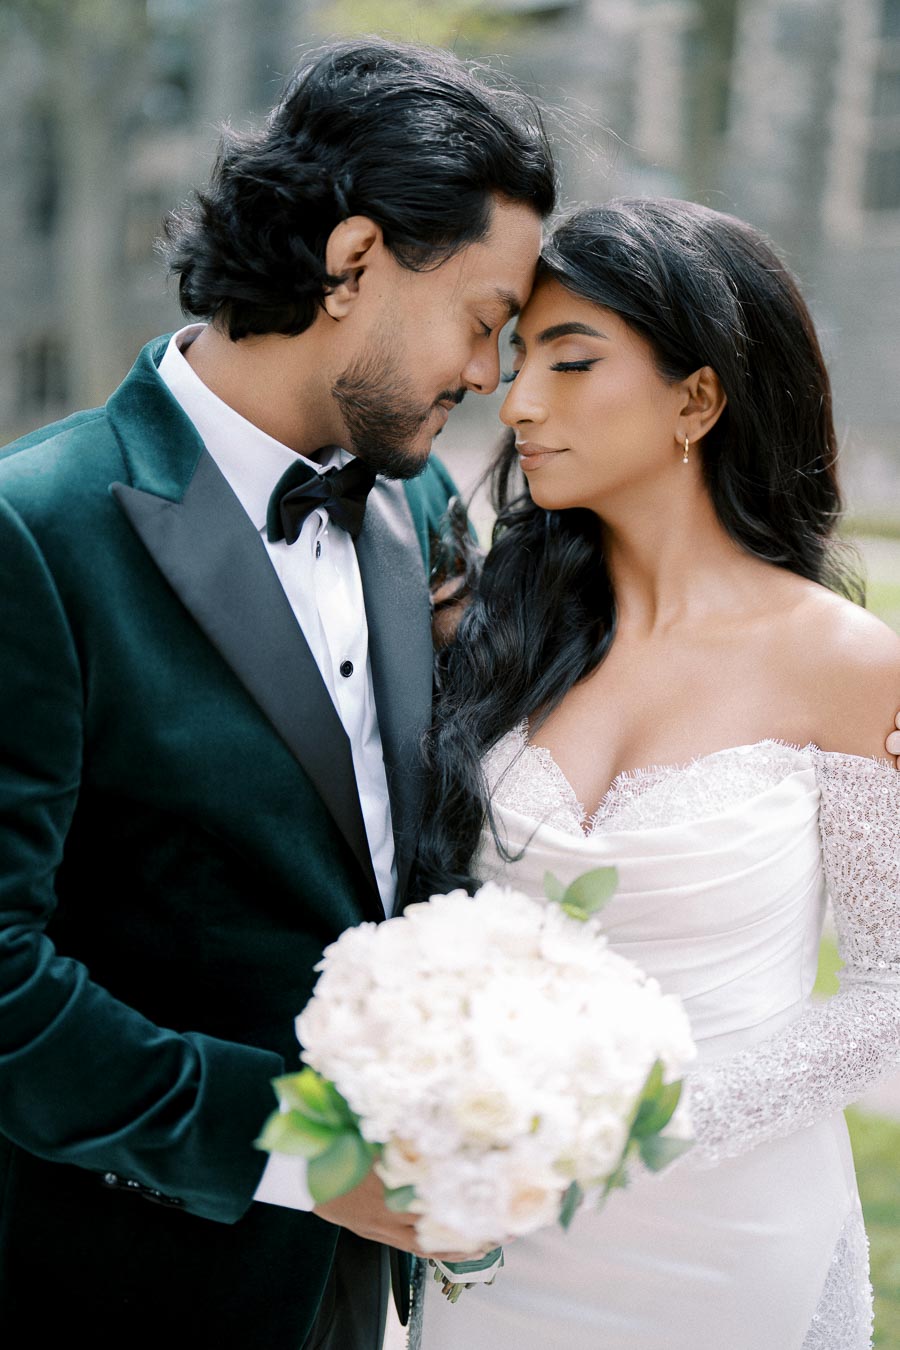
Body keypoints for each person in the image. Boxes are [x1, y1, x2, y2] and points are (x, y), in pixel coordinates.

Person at [0, 38, 552, 1349]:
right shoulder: (37, 529)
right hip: (121, 1285)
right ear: (353, 261)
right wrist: (305, 1153)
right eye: (484, 320)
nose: (490, 375)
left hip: (364, 1298)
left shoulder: (415, 497)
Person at [417, 199, 900, 1349]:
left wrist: (641, 1127)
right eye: (520, 362)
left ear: (698, 399)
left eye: (573, 362)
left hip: (727, 1244)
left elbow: (890, 989)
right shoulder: (486, 633)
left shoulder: (849, 664)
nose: (518, 403)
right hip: (502, 1245)